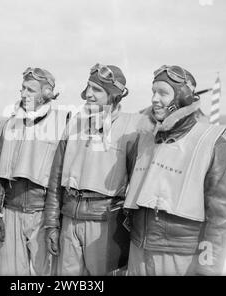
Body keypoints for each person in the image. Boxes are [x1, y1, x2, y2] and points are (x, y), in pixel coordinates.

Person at [124, 65, 226, 276]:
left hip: (181, 258)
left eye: (163, 93)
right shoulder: (144, 141)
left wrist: (208, 268)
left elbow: (221, 219)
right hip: (138, 253)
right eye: (153, 92)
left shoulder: (212, 143)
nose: (154, 99)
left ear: (183, 98)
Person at [44, 63, 151, 276]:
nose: (89, 95)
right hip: (69, 220)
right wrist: (51, 223)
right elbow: (56, 178)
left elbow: (137, 187)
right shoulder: (75, 123)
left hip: (104, 224)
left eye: (97, 90)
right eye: (89, 87)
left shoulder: (130, 130)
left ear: (113, 96)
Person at [0, 67, 69, 275]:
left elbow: (62, 177)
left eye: (30, 90)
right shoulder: (11, 124)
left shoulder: (63, 124)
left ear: (47, 93)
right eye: (22, 88)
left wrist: (55, 223)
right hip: (11, 211)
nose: (23, 94)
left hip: (42, 214)